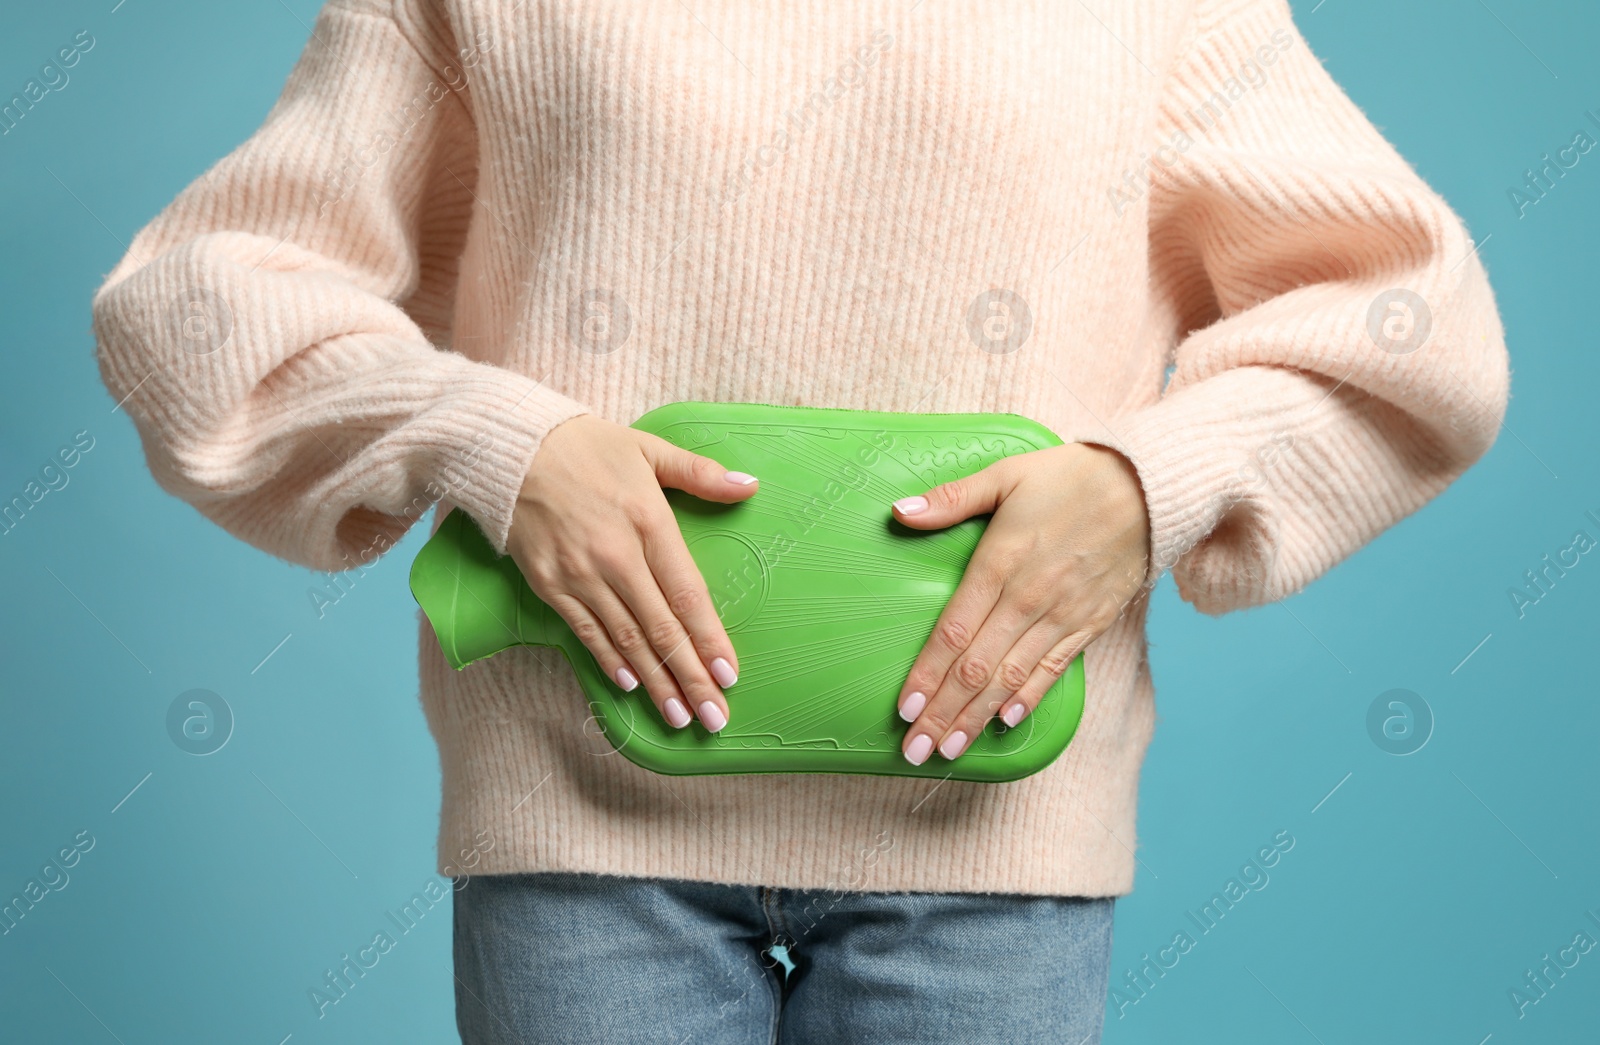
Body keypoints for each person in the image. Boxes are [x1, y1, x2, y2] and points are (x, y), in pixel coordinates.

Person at [90, 0, 1508, 1040]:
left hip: (994, 845)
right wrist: (492, 440)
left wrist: (1151, 485)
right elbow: (195, 305)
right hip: (586, 840)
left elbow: (1417, 325)